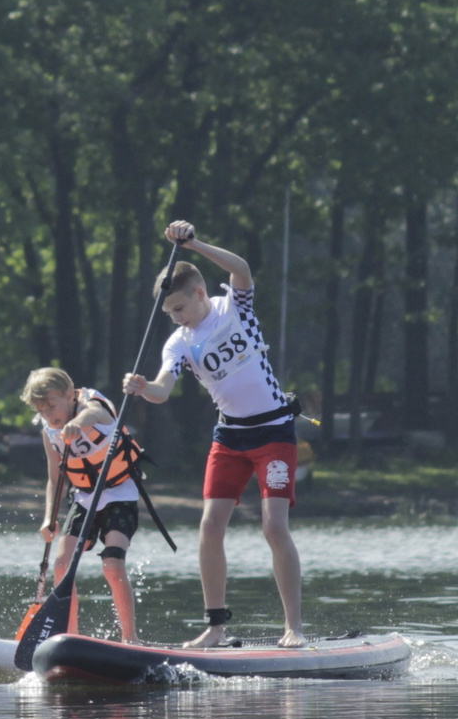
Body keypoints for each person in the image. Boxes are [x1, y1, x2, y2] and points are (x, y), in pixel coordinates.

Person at [123, 220, 305, 648]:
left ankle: (294, 627)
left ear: (200, 294)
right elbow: (163, 390)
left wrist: (194, 243)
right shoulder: (179, 343)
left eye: (179, 309)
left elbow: (241, 268)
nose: (176, 318)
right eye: (168, 314)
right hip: (230, 440)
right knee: (209, 527)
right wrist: (142, 387)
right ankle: (217, 628)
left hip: (275, 431)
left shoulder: (233, 307)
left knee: (274, 528)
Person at [23, 367, 142, 642]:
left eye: (52, 406)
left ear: (68, 395)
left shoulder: (94, 404)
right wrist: (47, 518)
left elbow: (96, 414)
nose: (49, 415)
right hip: (85, 497)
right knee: (62, 564)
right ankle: (70, 636)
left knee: (112, 564)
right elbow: (55, 478)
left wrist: (78, 422)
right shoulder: (48, 431)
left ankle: (130, 637)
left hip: (120, 493)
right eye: (42, 411)